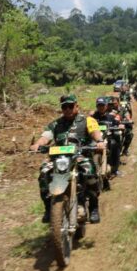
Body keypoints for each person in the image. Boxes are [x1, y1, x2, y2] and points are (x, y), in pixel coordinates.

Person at [30, 94, 105, 224]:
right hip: (59, 159)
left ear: (77, 106)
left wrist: (99, 141)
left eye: (70, 106)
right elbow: (46, 136)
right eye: (64, 107)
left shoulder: (87, 120)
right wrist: (37, 144)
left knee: (90, 173)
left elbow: (95, 132)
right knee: (43, 173)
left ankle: (93, 208)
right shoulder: (55, 124)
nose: (68, 109)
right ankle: (48, 208)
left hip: (80, 156)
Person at [92, 96, 124, 177]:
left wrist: (120, 125)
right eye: (99, 105)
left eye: (102, 105)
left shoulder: (111, 116)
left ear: (106, 106)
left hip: (108, 138)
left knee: (114, 144)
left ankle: (115, 169)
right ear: (96, 106)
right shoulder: (92, 117)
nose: (101, 107)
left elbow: (117, 123)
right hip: (96, 139)